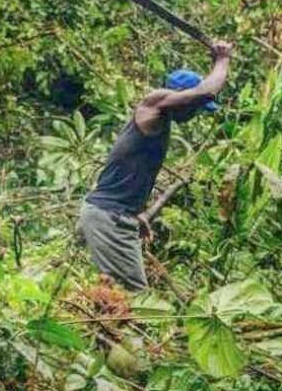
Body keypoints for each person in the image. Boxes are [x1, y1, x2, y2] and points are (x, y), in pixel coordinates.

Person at [77, 41, 234, 292]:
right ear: (180, 98)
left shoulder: (161, 121)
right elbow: (207, 92)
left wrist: (136, 211)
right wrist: (223, 59)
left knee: (114, 294)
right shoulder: (154, 105)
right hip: (109, 217)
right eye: (193, 106)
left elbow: (131, 171)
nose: (195, 112)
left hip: (115, 214)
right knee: (138, 299)